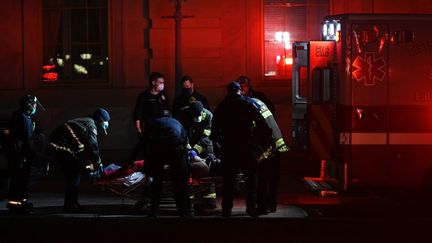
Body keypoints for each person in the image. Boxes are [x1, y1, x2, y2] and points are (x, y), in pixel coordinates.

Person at [211, 82, 271, 217]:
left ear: (227, 92)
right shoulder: (247, 105)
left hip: (229, 148)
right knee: (251, 178)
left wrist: (219, 146)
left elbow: (214, 132)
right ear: (240, 91)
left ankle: (226, 209)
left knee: (228, 180)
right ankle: (251, 207)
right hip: (247, 147)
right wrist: (259, 143)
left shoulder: (222, 107)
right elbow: (263, 126)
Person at [48, 108, 110, 213]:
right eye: (103, 125)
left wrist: (90, 163)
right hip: (60, 146)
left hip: (61, 146)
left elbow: (85, 147)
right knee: (73, 175)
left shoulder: (86, 121)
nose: (101, 129)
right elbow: (93, 146)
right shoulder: (91, 125)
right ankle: (70, 206)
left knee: (74, 175)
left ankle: (72, 204)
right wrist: (98, 163)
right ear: (100, 120)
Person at [144, 111, 191, 217]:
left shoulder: (154, 122)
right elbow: (184, 141)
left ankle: (153, 212)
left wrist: (148, 162)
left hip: (158, 148)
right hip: (175, 147)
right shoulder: (177, 122)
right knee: (179, 182)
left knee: (157, 181)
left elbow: (145, 141)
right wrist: (185, 164)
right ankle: (183, 212)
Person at [4, 94, 45, 213]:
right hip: (21, 156)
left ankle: (20, 203)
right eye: (35, 104)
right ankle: (17, 207)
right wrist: (35, 153)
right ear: (29, 105)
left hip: (18, 155)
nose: (35, 107)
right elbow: (27, 139)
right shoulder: (23, 118)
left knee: (19, 181)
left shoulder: (20, 116)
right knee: (20, 182)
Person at [249, 97, 289, 215]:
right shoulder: (257, 102)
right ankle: (272, 205)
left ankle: (263, 207)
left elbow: (254, 130)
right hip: (276, 143)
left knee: (262, 177)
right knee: (273, 178)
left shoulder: (248, 108)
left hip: (267, 146)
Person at [179, 101, 217, 209]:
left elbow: (207, 136)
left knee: (208, 170)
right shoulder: (183, 115)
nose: (197, 117)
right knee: (190, 170)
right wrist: (189, 149)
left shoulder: (208, 115)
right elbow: (182, 135)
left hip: (205, 145)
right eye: (195, 116)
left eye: (198, 115)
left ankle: (210, 198)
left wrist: (195, 149)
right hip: (189, 143)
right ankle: (192, 197)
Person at [132, 72, 170, 161]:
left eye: (163, 83)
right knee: (145, 148)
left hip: (161, 128)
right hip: (147, 128)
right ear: (153, 82)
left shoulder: (163, 95)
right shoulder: (144, 96)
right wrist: (139, 130)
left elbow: (169, 111)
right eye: (160, 83)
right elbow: (137, 114)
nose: (162, 85)